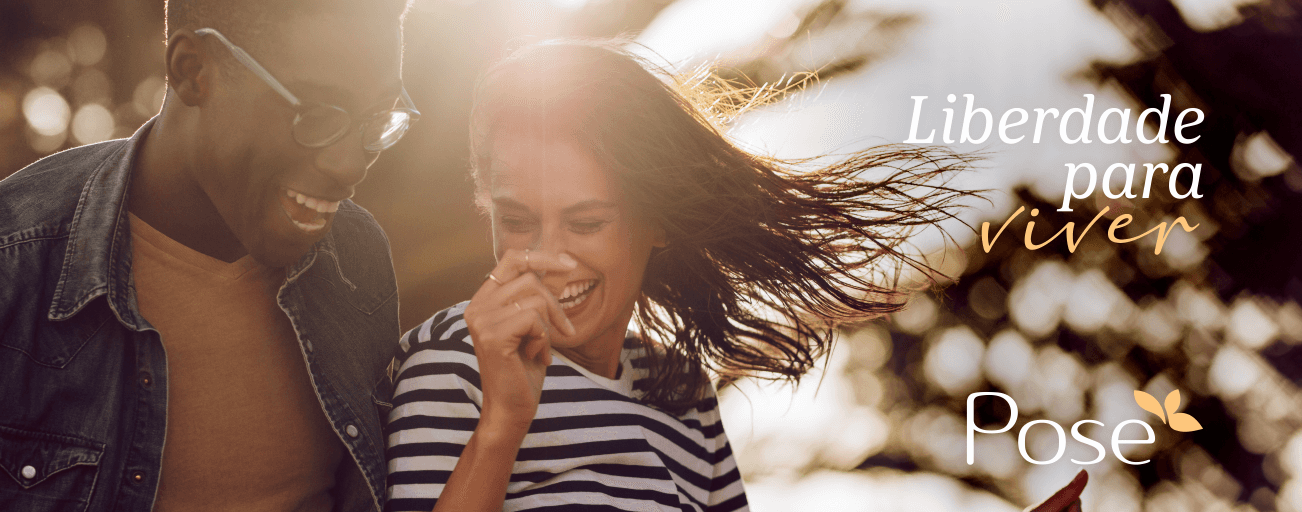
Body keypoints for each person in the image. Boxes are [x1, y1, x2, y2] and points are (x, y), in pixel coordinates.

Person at [0, 0, 416, 510]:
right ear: (194, 70)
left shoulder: (355, 259)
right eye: (316, 115)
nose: (351, 163)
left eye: (377, 119)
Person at [383, 41, 988, 512]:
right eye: (516, 220)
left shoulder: (681, 390)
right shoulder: (452, 364)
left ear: (658, 221)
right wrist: (502, 427)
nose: (548, 257)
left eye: (587, 222)